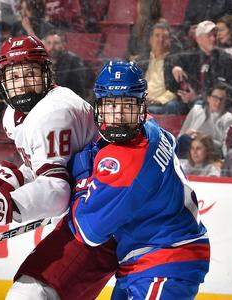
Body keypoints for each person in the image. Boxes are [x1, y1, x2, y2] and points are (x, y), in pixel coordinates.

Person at [0, 35, 115, 299]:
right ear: (3, 84)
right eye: (15, 77)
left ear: (47, 73)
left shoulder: (53, 111)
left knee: (30, 294)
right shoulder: (16, 116)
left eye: (30, 73)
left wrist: (1, 205)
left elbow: (57, 191)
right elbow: (41, 168)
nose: (24, 84)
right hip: (97, 211)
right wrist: (3, 185)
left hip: (107, 217)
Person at [69, 61, 210, 299]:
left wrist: (82, 180)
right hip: (145, 259)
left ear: (141, 105)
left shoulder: (124, 160)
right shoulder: (150, 126)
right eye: (111, 104)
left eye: (127, 104)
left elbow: (88, 232)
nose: (119, 114)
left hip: (164, 258)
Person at [42, 30, 88, 99]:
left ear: (63, 44)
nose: (52, 47)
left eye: (56, 43)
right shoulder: (42, 61)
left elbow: (80, 88)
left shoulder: (73, 60)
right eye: (49, 43)